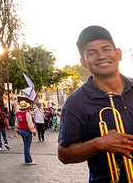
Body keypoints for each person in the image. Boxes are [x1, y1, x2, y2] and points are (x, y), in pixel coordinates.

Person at [57, 25, 133, 182]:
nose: (101, 56)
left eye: (106, 49)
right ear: (83, 62)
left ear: (118, 54)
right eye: (92, 53)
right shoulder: (76, 102)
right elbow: (64, 154)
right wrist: (100, 143)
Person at [15, 100, 36, 165]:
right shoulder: (27, 113)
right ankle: (28, 160)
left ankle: (27, 158)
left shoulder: (17, 113)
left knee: (25, 145)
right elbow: (30, 123)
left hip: (21, 130)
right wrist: (33, 131)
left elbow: (16, 122)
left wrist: (17, 130)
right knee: (27, 145)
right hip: (26, 130)